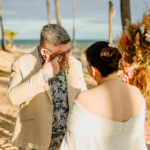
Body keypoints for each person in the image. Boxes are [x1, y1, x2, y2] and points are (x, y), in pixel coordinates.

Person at [7, 24, 87, 150]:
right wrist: (43, 74)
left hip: (68, 143)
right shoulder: (21, 63)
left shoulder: (75, 64)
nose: (67, 57)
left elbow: (83, 97)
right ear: (44, 52)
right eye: (62, 53)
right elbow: (13, 98)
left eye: (69, 50)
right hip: (35, 142)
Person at [60, 41, 147, 150]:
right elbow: (139, 142)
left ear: (93, 70)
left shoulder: (84, 99)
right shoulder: (136, 94)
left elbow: (72, 145)